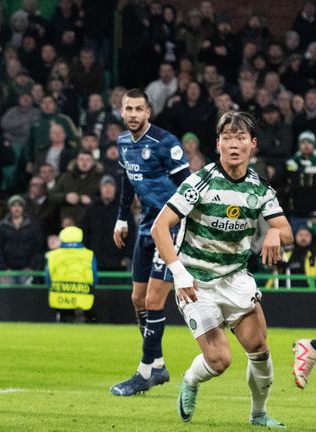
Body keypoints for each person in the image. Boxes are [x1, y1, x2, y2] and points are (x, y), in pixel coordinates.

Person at [151, 111, 292, 428]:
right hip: (195, 282)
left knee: (260, 349)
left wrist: (272, 232)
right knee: (220, 361)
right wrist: (178, 271)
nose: (233, 144)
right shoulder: (199, 182)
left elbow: (286, 231)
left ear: (252, 144)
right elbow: (160, 227)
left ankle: (258, 414)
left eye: (240, 138)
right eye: (227, 137)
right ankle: (190, 379)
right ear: (217, 144)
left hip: (235, 279)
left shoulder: (260, 188)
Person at [110, 88, 191, 396]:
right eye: (128, 109)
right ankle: (157, 364)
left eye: (138, 109)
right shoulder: (122, 144)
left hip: (170, 227)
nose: (132, 114)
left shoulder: (166, 143)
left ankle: (145, 372)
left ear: (148, 112)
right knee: (138, 299)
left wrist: (184, 223)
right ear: (122, 112)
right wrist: (120, 217)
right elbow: (127, 181)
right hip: (145, 225)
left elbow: (188, 186)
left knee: (155, 301)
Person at [45, 226, 97, 320]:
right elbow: (94, 277)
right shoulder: (89, 255)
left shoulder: (53, 255)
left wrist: (51, 287)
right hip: (83, 297)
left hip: (59, 298)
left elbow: (48, 276)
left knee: (63, 321)